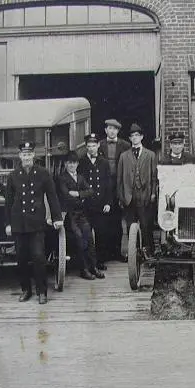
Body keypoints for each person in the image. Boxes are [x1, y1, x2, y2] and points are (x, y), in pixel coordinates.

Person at [5, 142, 63, 304]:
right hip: (19, 223)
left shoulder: (43, 173)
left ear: (33, 155)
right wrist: (8, 223)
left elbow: (52, 196)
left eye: (29, 154)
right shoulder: (13, 175)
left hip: (36, 222)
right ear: (20, 156)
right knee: (21, 258)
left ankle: (42, 291)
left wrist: (57, 218)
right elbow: (8, 202)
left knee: (38, 256)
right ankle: (26, 290)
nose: (26, 157)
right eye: (24, 154)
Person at [58, 150, 104, 281]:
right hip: (69, 215)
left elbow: (91, 191)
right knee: (79, 239)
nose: (72, 165)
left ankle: (93, 267)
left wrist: (78, 194)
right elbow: (66, 196)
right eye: (69, 163)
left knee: (89, 238)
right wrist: (81, 198)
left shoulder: (80, 177)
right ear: (65, 164)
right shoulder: (62, 178)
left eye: (74, 163)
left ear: (77, 164)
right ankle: (83, 269)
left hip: (81, 214)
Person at [79, 133, 120, 268]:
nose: (91, 148)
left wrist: (108, 202)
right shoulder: (81, 162)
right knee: (86, 234)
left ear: (98, 145)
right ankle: (87, 262)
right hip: (87, 204)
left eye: (93, 146)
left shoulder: (104, 162)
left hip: (100, 203)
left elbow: (108, 184)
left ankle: (100, 260)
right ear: (86, 147)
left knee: (101, 233)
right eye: (89, 146)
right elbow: (79, 182)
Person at [117, 124, 158, 258]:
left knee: (146, 226)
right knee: (130, 226)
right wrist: (121, 196)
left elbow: (154, 177)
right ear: (129, 138)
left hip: (145, 195)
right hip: (129, 196)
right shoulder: (124, 156)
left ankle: (149, 252)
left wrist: (153, 193)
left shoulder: (150, 155)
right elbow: (119, 178)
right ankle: (134, 253)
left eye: (137, 135)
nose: (134, 138)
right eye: (132, 136)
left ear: (141, 137)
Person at [99, 118, 131, 262]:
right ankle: (104, 254)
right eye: (109, 128)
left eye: (115, 129)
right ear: (106, 130)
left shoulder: (125, 145)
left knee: (117, 221)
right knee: (103, 221)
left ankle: (117, 252)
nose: (112, 131)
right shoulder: (99, 145)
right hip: (104, 187)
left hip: (118, 186)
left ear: (118, 131)